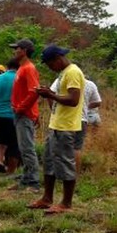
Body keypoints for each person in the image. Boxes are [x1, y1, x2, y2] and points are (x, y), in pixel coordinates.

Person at [28, 45, 84, 214]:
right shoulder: (64, 73)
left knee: (65, 164)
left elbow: (74, 100)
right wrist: (48, 93)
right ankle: (47, 198)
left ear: (58, 59)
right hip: (56, 124)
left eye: (50, 64)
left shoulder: (73, 72)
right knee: (49, 163)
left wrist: (50, 95)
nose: (50, 68)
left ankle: (66, 203)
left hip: (66, 126)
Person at [10, 39, 41, 192]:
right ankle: (26, 177)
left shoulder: (28, 68)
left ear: (24, 51)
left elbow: (34, 91)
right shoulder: (22, 68)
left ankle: (34, 182)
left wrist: (21, 108)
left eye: (17, 48)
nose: (14, 51)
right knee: (23, 148)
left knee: (27, 148)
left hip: (24, 114)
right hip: (21, 113)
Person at [0, 60, 20, 174]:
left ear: (7, 67)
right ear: (18, 67)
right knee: (14, 143)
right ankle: (11, 171)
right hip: (11, 114)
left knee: (0, 139)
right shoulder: (18, 78)